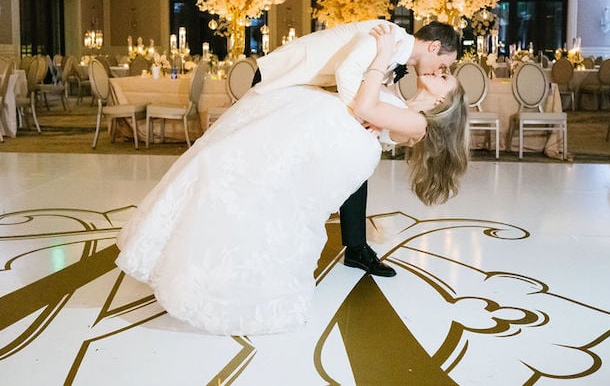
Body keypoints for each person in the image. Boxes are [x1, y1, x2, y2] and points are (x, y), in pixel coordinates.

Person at [115, 29, 469, 336]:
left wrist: (379, 62)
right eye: (444, 69)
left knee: (265, 196)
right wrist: (380, 103)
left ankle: (230, 276)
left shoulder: (419, 123)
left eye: (444, 78)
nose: (441, 71)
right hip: (320, 129)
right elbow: (373, 111)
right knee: (238, 175)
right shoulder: (409, 105)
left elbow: (364, 107)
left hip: (328, 141)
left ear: (441, 100)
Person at [253, 19, 460, 277]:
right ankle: (263, 237)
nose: (438, 71)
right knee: (271, 164)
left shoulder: (396, 57)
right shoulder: (388, 37)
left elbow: (380, 101)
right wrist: (367, 116)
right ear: (434, 46)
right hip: (284, 76)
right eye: (443, 66)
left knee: (352, 167)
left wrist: (376, 117)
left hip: (311, 94)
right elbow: (347, 74)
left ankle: (354, 247)